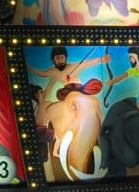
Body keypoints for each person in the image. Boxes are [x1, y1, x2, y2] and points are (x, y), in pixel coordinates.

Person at [35, 48, 106, 180]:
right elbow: (41, 73)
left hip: (79, 97)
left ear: (66, 58)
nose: (59, 60)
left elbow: (87, 64)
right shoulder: (53, 72)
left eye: (62, 57)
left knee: (92, 104)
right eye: (57, 58)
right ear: (53, 60)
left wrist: (102, 59)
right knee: (47, 114)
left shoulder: (74, 67)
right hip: (67, 99)